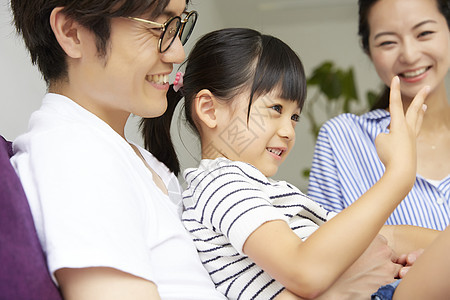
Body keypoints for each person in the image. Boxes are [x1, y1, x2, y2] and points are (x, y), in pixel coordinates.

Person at [143, 27, 447, 300]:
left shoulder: (257, 189)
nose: (288, 131)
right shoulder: (220, 185)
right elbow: (304, 271)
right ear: (210, 110)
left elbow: (386, 236)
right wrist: (398, 175)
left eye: (294, 116)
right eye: (275, 108)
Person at [8, 0, 228, 299]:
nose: (178, 52)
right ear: (72, 32)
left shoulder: (127, 157)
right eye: (159, 27)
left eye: (178, 25)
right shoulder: (76, 155)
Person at [308, 0, 450, 231]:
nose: (410, 55)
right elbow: (322, 255)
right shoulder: (342, 138)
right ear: (368, 50)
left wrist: (396, 238)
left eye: (424, 33)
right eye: (388, 42)